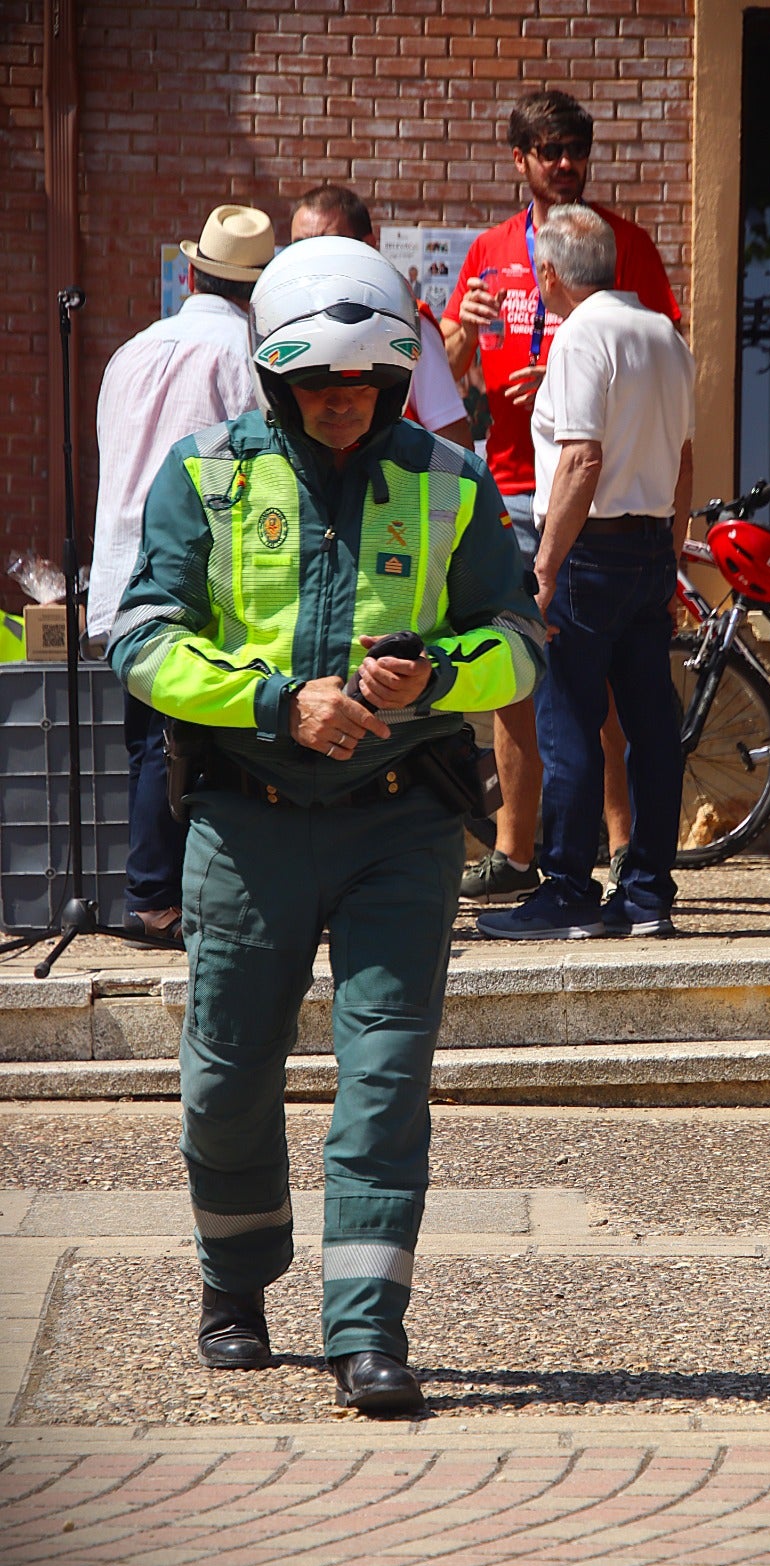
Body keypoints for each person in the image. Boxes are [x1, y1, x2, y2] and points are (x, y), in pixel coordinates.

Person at [107, 238, 544, 1414]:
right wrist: (271, 701)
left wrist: (436, 675)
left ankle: (366, 1330)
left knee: (386, 1076)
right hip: (246, 823)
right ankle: (236, 1281)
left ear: (398, 382)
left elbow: (518, 636)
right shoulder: (204, 476)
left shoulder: (452, 481)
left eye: (362, 387)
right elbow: (140, 637)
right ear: (275, 383)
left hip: (399, 826)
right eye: (317, 388)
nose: (341, 407)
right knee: (226, 1078)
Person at [440, 90, 681, 906]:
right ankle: (517, 850)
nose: (567, 164)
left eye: (577, 149)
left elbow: (655, 355)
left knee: (592, 689)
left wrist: (575, 378)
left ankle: (608, 853)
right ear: (520, 161)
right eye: (550, 151)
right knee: (520, 675)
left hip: (586, 494)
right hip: (509, 481)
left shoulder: (620, 245)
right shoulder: (488, 250)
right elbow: (446, 379)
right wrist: (463, 333)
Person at [477, 207, 694, 941]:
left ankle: (568, 890)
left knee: (566, 719)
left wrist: (542, 571)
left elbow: (579, 461)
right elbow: (685, 458)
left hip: (587, 553)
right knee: (649, 727)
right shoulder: (665, 334)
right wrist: (675, 551)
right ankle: (646, 895)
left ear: (549, 275)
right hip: (650, 548)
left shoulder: (579, 336)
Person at [87, 203, 276, 946]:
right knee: (190, 743)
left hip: (118, 567)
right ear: (257, 290)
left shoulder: (131, 350)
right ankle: (157, 898)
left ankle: (158, 893)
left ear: (191, 272)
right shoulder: (245, 356)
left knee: (151, 738)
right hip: (194, 568)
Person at [290, 184, 472, 450]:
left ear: (368, 246)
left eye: (328, 244)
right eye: (299, 247)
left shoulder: (407, 323)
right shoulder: (282, 324)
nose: (312, 258)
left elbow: (455, 445)